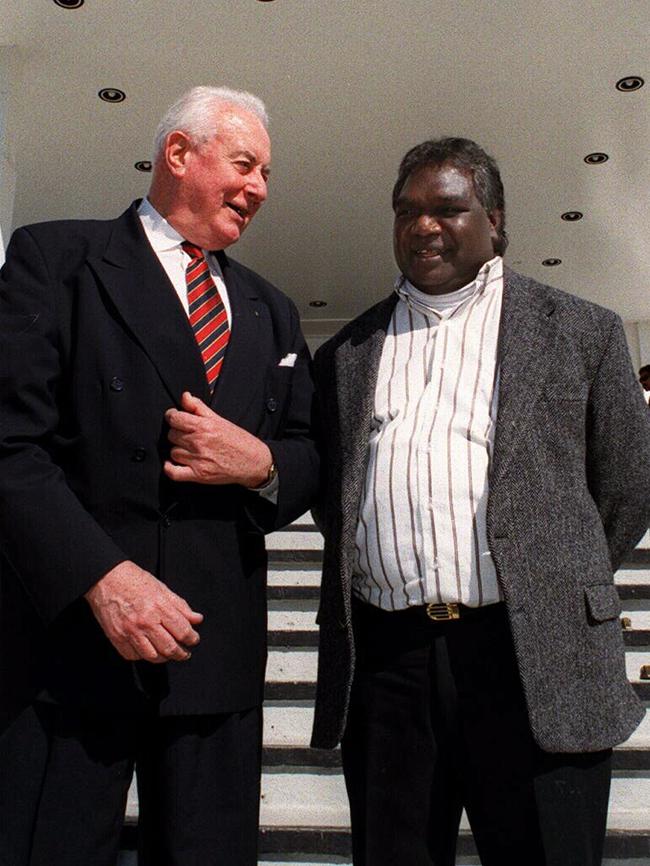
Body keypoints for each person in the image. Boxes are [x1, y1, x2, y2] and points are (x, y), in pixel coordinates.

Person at [0, 85, 318, 866]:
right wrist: (105, 578)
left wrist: (265, 463)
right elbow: (10, 445)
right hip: (70, 650)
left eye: (267, 175)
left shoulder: (270, 310)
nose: (260, 190)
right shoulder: (56, 260)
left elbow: (315, 451)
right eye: (246, 165)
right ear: (179, 153)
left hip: (214, 658)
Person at [310, 137, 650, 866]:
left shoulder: (582, 332)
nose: (423, 226)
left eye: (447, 209)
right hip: (390, 666)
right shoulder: (347, 353)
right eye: (406, 211)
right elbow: (334, 498)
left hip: (535, 659)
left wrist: (548, 576)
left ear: (494, 220)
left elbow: (626, 487)